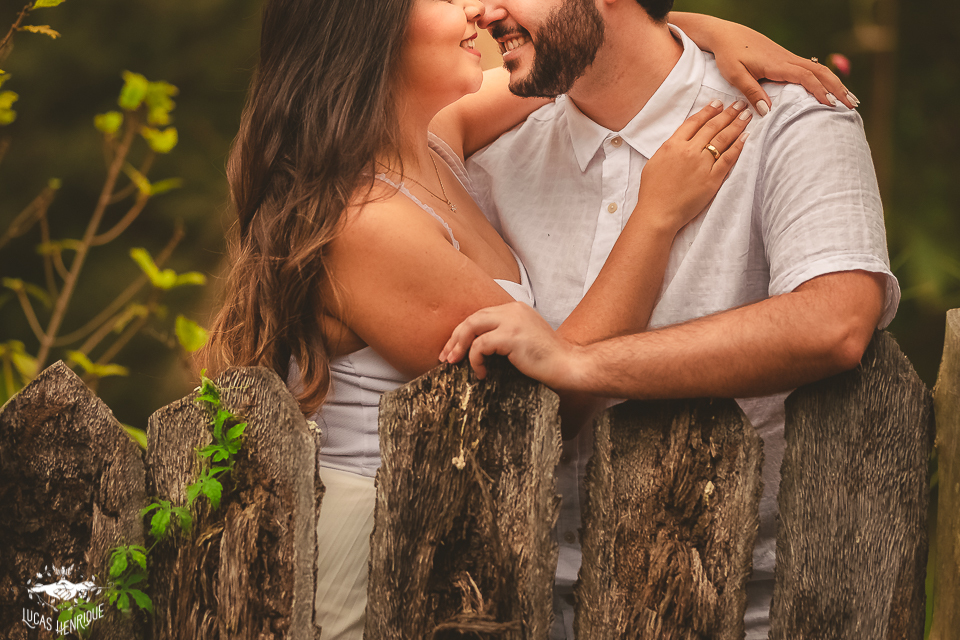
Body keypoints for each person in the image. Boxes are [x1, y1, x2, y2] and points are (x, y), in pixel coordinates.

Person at [199, 0, 860, 638]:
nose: (475, 10)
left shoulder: (437, 141)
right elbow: (541, 409)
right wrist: (655, 217)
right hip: (381, 551)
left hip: (450, 546)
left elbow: (599, 43)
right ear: (369, 35)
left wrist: (703, 29)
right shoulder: (369, 221)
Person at [439, 0, 898, 638]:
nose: (481, 11)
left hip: (750, 607)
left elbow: (835, 321)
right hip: (524, 607)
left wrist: (580, 363)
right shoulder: (489, 160)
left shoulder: (791, 115)